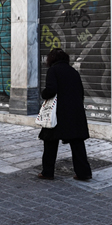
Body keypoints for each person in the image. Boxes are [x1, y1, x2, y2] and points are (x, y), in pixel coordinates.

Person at [37, 48, 93, 181]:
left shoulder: (53, 70)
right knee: (77, 144)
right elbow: (80, 92)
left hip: (58, 113)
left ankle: (47, 172)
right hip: (74, 112)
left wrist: (43, 94)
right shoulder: (73, 71)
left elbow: (51, 90)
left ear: (51, 59)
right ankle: (84, 173)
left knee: (50, 143)